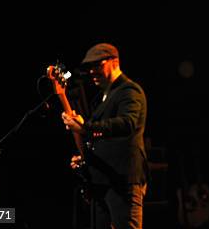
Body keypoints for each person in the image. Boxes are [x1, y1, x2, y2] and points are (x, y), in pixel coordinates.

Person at [62, 42, 149, 229]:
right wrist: (86, 157)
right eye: (89, 67)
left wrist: (86, 126)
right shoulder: (102, 97)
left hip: (122, 180)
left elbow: (127, 123)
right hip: (102, 180)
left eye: (97, 65)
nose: (92, 71)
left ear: (115, 62)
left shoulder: (129, 91)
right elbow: (101, 138)